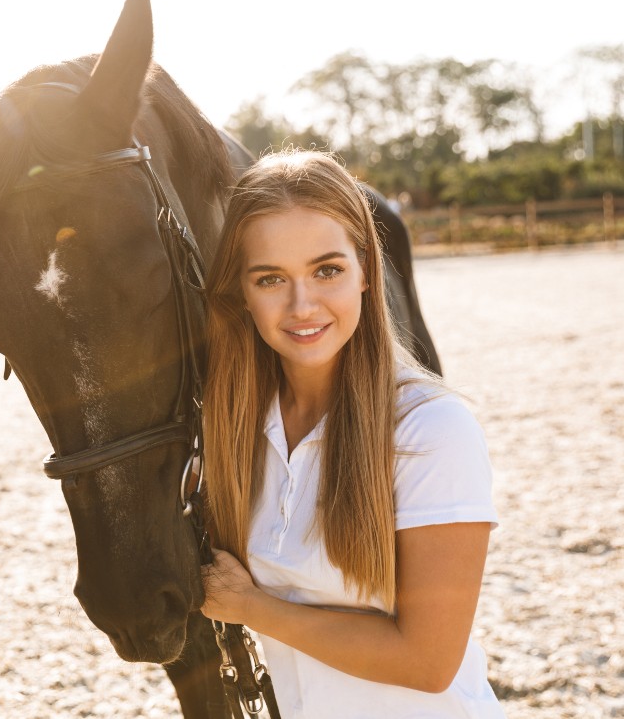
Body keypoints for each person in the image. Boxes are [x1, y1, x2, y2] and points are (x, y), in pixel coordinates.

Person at [199, 150, 504, 717]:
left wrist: (251, 607)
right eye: (270, 278)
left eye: (327, 270)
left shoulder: (430, 429)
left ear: (366, 271)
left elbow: (428, 662)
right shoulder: (237, 427)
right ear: (241, 290)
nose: (302, 305)